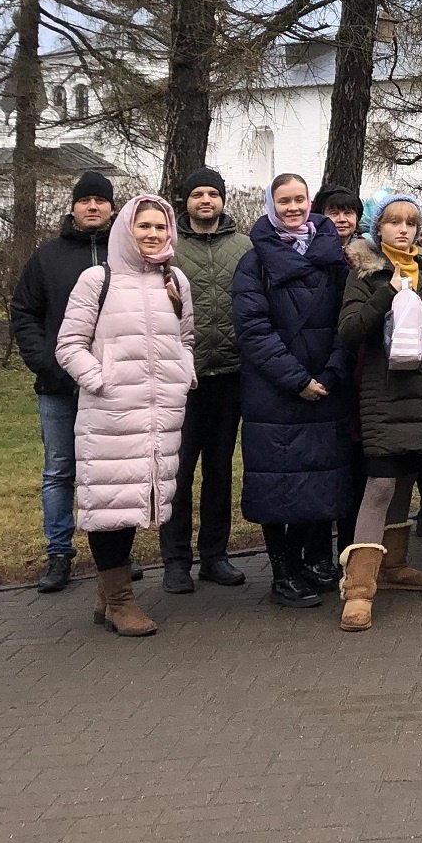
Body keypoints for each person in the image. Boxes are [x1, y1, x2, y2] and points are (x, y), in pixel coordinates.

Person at [51, 194, 196, 636]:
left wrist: (183, 376)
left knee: (137, 502)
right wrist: (102, 381)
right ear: (126, 230)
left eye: (160, 227)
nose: (153, 234)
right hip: (110, 414)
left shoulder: (175, 279)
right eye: (144, 226)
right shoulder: (98, 279)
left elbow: (186, 340)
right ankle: (120, 601)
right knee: (110, 501)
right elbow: (68, 345)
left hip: (161, 414)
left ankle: (106, 594)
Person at [233, 172, 352, 608]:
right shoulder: (254, 263)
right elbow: (253, 330)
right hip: (276, 393)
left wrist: (331, 373)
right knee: (277, 484)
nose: (293, 208)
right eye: (284, 200)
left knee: (315, 479)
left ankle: (308, 564)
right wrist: (297, 379)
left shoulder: (335, 257)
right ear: (271, 205)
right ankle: (282, 573)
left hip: (325, 387)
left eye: (300, 199)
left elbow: (347, 320)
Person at [333, 193, 422, 630]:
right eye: (393, 221)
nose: (403, 230)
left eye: (410, 223)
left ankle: (395, 564)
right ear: (377, 227)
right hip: (383, 394)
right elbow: (350, 330)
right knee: (381, 483)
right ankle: (359, 589)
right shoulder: (365, 272)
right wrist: (388, 291)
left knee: (407, 476)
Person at [9, 169, 114, 592]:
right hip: (58, 386)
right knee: (59, 469)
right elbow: (24, 312)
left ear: (112, 208)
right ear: (72, 208)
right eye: (85, 200)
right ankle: (58, 553)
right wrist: (47, 364)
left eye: (100, 200)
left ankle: (113, 559)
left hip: (110, 386)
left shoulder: (125, 256)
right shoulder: (47, 258)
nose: (92, 207)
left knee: (108, 471)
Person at [160, 168, 252, 593]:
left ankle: (215, 555)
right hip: (182, 378)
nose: (205, 201)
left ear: (222, 200)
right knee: (177, 473)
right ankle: (176, 561)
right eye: (197, 193)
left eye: (212, 193)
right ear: (186, 201)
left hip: (230, 374)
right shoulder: (168, 247)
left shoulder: (244, 247)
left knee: (219, 471)